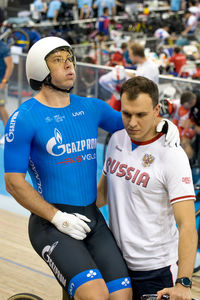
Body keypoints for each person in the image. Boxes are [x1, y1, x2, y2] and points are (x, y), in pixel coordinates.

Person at [4, 37, 179, 300]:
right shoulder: (24, 117)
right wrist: (57, 217)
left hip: (91, 217)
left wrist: (162, 123)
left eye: (70, 59)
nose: (69, 65)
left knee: (122, 295)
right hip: (49, 222)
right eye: (58, 60)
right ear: (40, 70)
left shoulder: (91, 108)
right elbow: (13, 183)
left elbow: (136, 124)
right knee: (94, 295)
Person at [97, 76, 198, 300]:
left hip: (156, 270)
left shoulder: (172, 155)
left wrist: (183, 282)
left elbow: (187, 225)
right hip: (116, 265)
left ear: (156, 110)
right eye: (126, 114)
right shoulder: (116, 140)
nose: (132, 123)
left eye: (141, 115)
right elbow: (102, 195)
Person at [0, 40, 14, 144]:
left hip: (0, 81)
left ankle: (9, 134)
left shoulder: (3, 47)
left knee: (1, 107)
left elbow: (10, 65)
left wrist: (4, 81)